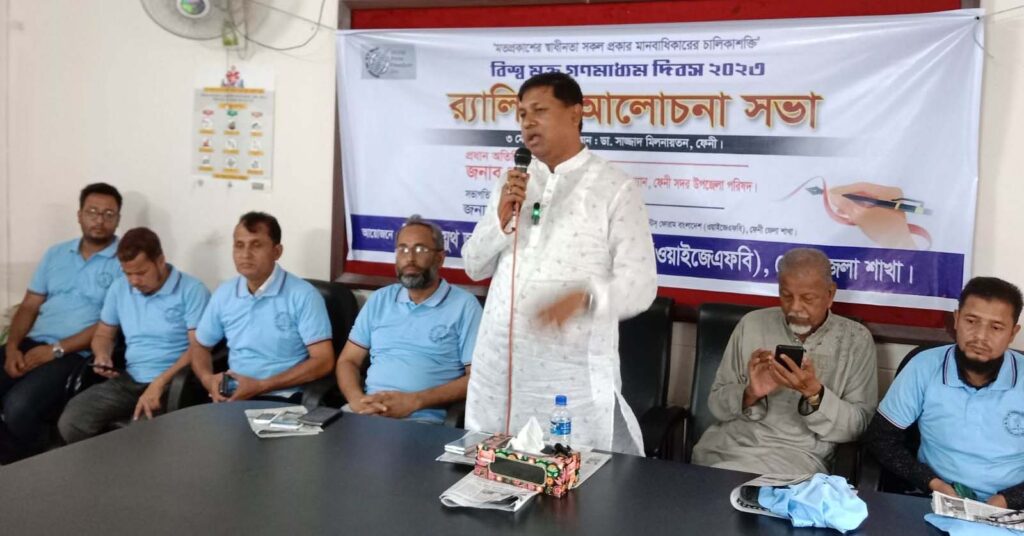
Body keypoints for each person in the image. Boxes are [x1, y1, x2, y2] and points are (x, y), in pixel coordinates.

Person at [461, 72, 657, 454]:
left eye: (539, 110)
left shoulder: (614, 187)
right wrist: (499, 223)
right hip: (498, 373)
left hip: (571, 382)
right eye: (521, 114)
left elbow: (640, 285)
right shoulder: (512, 181)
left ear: (575, 113)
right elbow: (473, 265)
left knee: (570, 481)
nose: (527, 122)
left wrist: (585, 299)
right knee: (493, 475)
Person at [692, 248, 878, 474]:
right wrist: (750, 393)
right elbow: (716, 404)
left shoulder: (855, 339)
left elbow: (859, 426)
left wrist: (814, 393)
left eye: (807, 298)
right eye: (786, 296)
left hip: (796, 458)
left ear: (830, 295)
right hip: (728, 447)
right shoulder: (752, 324)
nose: (795, 308)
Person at [866, 277, 1024, 509]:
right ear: (957, 319)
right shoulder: (924, 366)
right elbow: (880, 438)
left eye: (996, 327)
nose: (981, 336)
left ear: (1012, 333)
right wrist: (933, 483)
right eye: (971, 321)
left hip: (1013, 509)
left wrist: (1007, 500)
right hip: (935, 499)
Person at [0, 183, 124, 462]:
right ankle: (13, 462)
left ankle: (47, 457)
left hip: (75, 355)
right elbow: (29, 305)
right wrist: (12, 348)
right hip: (32, 342)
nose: (99, 220)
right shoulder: (55, 254)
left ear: (118, 220)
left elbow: (110, 323)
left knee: (18, 407)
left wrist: (56, 350)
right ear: (79, 215)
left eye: (108, 214)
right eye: (92, 212)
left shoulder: (123, 262)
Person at [57, 228, 210, 443]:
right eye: (128, 273)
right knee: (72, 420)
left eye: (141, 273)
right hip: (129, 379)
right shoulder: (119, 288)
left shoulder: (192, 290)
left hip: (172, 382)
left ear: (160, 261)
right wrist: (102, 355)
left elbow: (198, 348)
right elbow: (103, 334)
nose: (134, 281)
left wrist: (160, 382)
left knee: (140, 438)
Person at [335, 215, 482, 424]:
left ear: (440, 258)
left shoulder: (464, 306)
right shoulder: (380, 299)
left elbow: (476, 378)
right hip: (365, 411)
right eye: (402, 249)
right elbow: (348, 361)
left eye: (420, 249)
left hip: (421, 419)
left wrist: (415, 401)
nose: (410, 258)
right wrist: (357, 400)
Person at [190, 212, 334, 402]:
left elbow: (323, 361)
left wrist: (261, 385)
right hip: (233, 396)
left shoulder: (303, 295)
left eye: (256, 245)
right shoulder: (224, 293)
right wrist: (207, 379)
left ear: (277, 251)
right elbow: (200, 345)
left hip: (283, 396)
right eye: (239, 245)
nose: (245, 254)